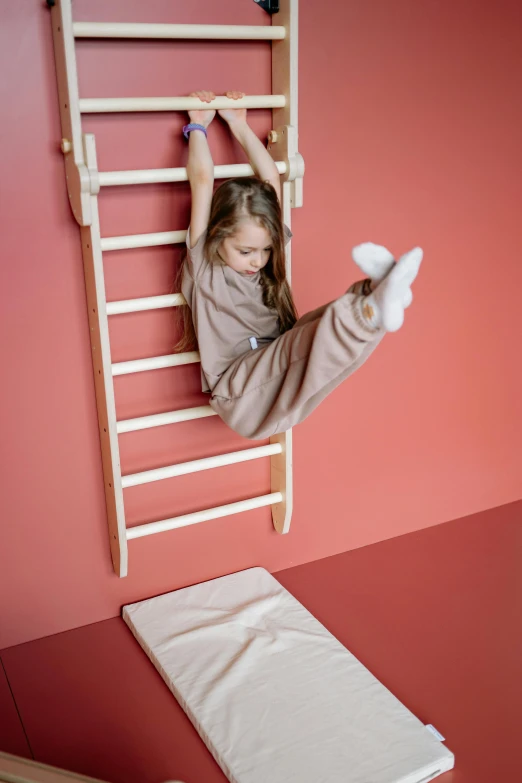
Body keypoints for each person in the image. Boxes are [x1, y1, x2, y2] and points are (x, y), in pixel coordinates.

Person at [177, 90, 423, 440]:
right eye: (246, 251)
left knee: (314, 330)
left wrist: (239, 125)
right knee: (297, 346)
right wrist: (197, 128)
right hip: (239, 393)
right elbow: (202, 179)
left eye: (264, 250)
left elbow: (271, 183)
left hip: (277, 387)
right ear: (217, 238)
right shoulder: (206, 266)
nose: (258, 261)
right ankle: (367, 309)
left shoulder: (263, 267)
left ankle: (372, 301)